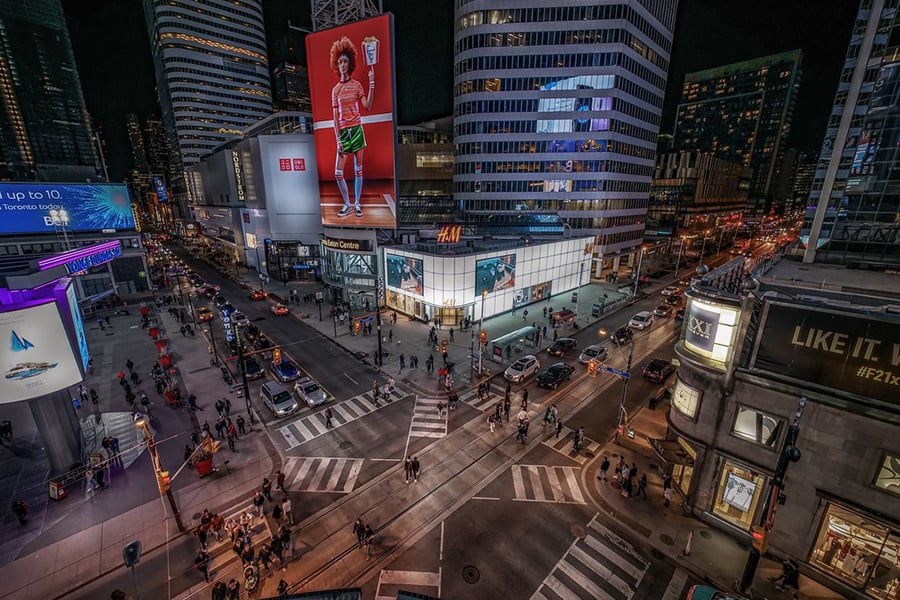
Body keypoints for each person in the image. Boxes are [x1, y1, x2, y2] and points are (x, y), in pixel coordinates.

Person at [328, 35, 376, 219]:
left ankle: (356, 203)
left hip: (357, 130)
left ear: (350, 64)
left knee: (358, 169)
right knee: (338, 172)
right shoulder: (335, 90)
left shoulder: (357, 85)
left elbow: (368, 106)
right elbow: (334, 116)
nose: (342, 64)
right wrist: (338, 138)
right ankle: (347, 204)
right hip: (343, 133)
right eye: (339, 61)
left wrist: (372, 83)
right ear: (336, 64)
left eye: (345, 61)